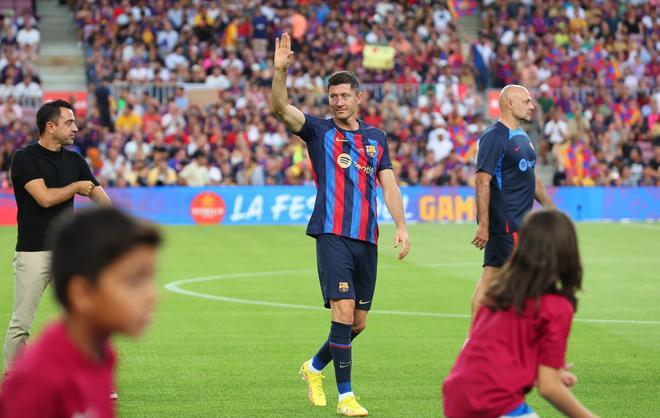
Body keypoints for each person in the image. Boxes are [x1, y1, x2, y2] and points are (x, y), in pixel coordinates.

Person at [270, 33, 410, 417]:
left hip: (368, 236)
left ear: (358, 97)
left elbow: (389, 184)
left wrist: (401, 225)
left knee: (358, 323)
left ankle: (313, 367)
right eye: (333, 96)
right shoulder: (318, 131)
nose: (339, 101)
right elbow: (280, 108)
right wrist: (279, 72)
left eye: (345, 95)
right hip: (332, 233)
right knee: (343, 311)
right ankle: (346, 398)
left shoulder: (376, 138)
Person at [0, 207, 161, 418]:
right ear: (82, 293)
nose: (152, 295)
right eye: (133, 281)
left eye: (150, 278)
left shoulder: (103, 354)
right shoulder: (39, 379)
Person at [443, 210, 598, 418]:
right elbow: (549, 387)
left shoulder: (498, 292)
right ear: (567, 252)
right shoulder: (556, 306)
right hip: (493, 402)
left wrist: (547, 370)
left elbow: (493, 354)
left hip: (457, 396)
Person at [4, 99, 112, 370]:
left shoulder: (75, 159)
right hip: (32, 252)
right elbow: (45, 198)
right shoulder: (24, 157)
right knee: (21, 324)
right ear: (50, 127)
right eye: (69, 122)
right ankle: (13, 383)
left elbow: (100, 197)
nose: (76, 128)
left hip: (68, 254)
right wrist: (76, 186)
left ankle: (91, 379)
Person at [470, 85, 554, 323]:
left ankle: (475, 343)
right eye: (526, 101)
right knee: (529, 281)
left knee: (490, 281)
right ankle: (520, 344)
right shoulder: (494, 137)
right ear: (509, 103)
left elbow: (532, 178)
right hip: (507, 224)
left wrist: (553, 212)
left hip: (519, 225)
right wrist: (484, 224)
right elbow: (482, 181)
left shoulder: (523, 136)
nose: (532, 105)